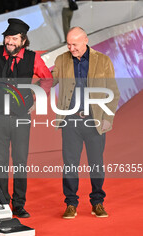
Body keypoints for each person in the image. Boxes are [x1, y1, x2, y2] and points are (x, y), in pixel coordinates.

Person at [0, 18, 52, 218]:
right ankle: (2, 201)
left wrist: (34, 98)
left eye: (14, 38)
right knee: (0, 160)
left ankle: (19, 204)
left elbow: (47, 78)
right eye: (7, 38)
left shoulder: (33, 58)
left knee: (20, 160)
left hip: (20, 117)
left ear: (23, 40)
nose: (10, 42)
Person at [51, 27, 120, 219]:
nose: (71, 48)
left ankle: (97, 202)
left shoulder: (103, 60)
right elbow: (50, 80)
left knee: (96, 163)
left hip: (94, 121)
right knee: (70, 164)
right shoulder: (62, 60)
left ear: (86, 40)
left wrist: (108, 118)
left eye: (75, 44)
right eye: (68, 44)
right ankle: (71, 203)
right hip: (70, 121)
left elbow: (113, 92)